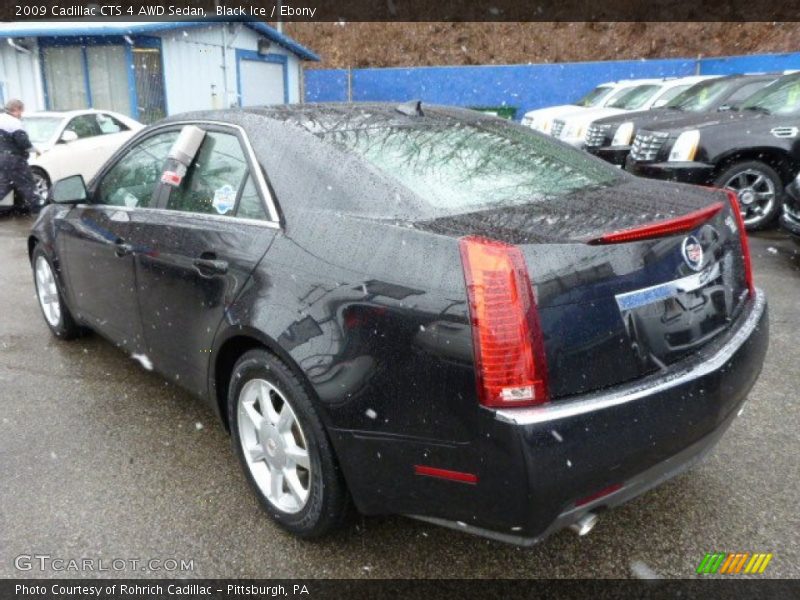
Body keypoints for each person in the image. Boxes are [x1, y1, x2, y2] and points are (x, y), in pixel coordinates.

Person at [0, 99, 38, 214]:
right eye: (21, 111)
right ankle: (38, 211)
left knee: (4, 185)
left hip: (2, 158)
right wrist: (34, 150)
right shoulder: (14, 122)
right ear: (16, 109)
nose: (21, 114)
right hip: (14, 159)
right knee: (27, 184)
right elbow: (23, 142)